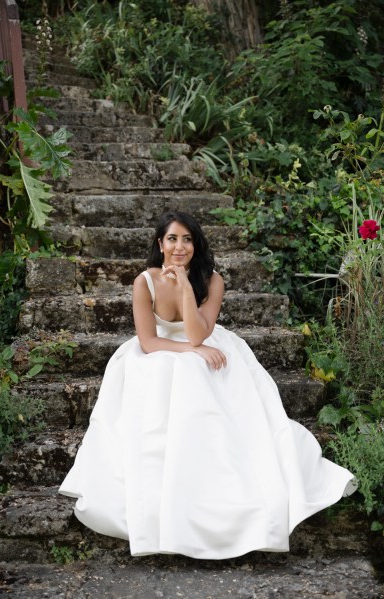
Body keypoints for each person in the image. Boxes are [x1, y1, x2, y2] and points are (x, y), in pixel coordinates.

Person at [59, 211, 356, 560]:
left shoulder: (212, 281)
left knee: (206, 375)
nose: (179, 246)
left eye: (187, 239)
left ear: (195, 245)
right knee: (179, 370)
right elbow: (149, 343)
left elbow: (201, 332)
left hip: (206, 340)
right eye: (172, 239)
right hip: (161, 351)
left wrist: (186, 287)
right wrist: (191, 350)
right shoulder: (145, 281)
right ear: (161, 244)